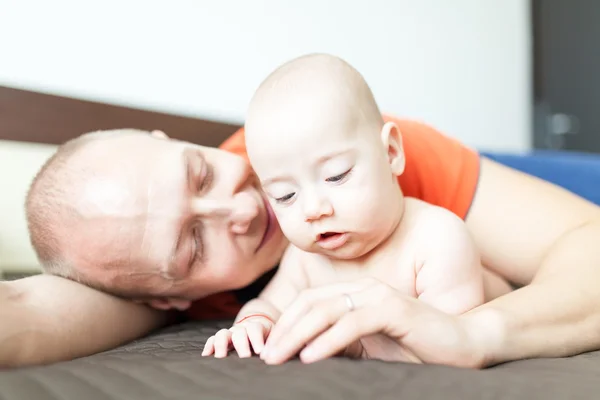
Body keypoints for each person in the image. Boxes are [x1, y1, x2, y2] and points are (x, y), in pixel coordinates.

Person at [4, 62, 600, 369]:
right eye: (193, 244)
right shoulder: (137, 275)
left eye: (202, 173)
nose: (245, 205)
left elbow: (588, 240)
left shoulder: (339, 151)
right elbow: (23, 313)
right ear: (166, 299)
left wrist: (473, 334)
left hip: (529, 178)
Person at [202, 54, 513, 362]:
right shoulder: (307, 258)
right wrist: (252, 323)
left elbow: (450, 346)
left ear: (390, 152)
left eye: (336, 176)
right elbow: (269, 304)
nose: (313, 209)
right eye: (285, 196)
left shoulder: (437, 239)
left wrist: (360, 346)